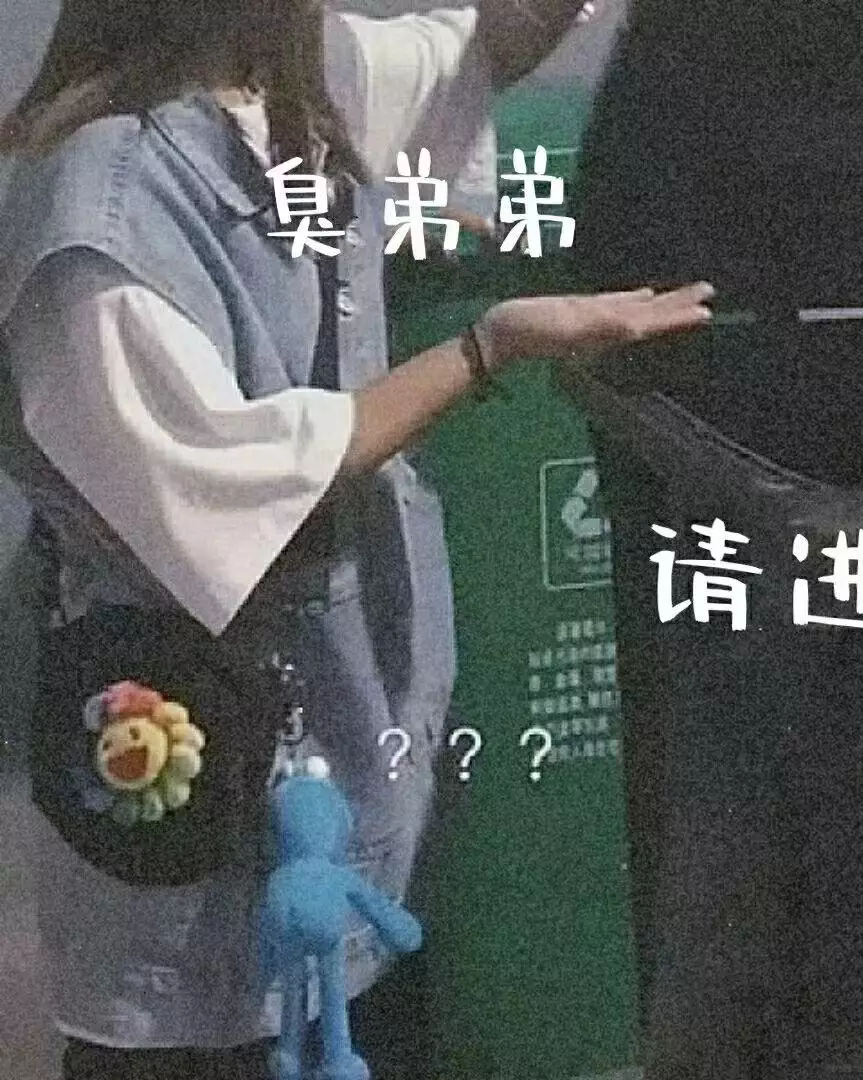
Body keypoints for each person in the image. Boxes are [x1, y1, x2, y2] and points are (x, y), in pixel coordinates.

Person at [0, 1, 714, 1078]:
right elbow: (241, 487)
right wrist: (485, 347)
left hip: (341, 755)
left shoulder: (287, 86)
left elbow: (477, 49)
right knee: (210, 1033)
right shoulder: (99, 220)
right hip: (184, 780)